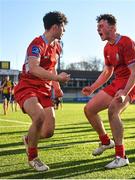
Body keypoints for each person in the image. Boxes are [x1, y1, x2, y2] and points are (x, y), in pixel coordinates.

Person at [82, 14, 135, 169]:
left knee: (113, 110)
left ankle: (121, 156)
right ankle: (105, 142)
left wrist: (124, 92)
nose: (98, 29)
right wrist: (92, 87)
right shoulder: (107, 47)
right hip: (118, 82)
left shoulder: (126, 42)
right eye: (97, 27)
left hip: (133, 82)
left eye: (101, 26)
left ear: (113, 27)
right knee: (89, 109)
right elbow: (107, 72)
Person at [14, 11, 70, 172]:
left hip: (45, 89)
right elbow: (33, 68)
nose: (64, 31)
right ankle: (33, 158)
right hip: (28, 85)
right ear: (55, 27)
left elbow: (51, 67)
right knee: (38, 116)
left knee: (48, 131)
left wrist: (57, 88)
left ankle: (28, 139)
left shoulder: (57, 47)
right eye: (63, 27)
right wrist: (58, 78)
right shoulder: (36, 44)